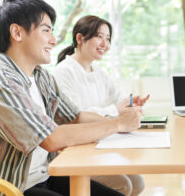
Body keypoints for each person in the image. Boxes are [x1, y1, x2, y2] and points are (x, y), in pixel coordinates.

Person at [0, 0, 142, 196]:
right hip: (3, 188)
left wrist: (120, 120)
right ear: (17, 33)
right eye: (46, 30)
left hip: (41, 178)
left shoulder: (39, 76)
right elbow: (51, 139)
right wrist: (115, 125)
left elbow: (75, 117)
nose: (54, 40)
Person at [52, 15, 148, 196]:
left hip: (97, 143)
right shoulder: (63, 72)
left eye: (108, 38)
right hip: (75, 148)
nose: (105, 43)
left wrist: (129, 103)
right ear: (79, 39)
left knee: (137, 183)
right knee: (124, 185)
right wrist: (116, 111)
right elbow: (75, 116)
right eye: (99, 36)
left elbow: (116, 98)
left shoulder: (99, 72)